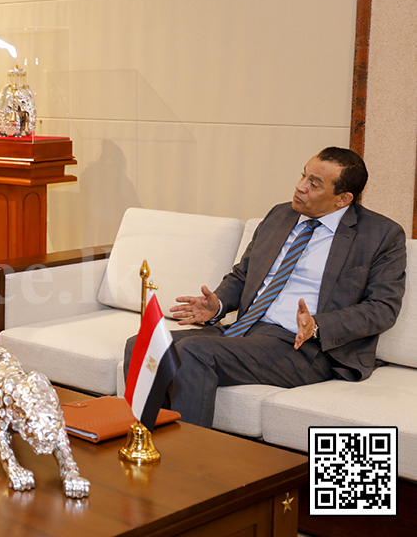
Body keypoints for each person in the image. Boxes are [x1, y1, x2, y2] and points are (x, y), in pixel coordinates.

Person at [124, 147, 406, 428]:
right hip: (246, 330)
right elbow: (243, 274)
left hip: (305, 346)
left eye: (314, 183)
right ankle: (143, 442)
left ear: (343, 199)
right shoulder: (280, 215)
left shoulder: (380, 235)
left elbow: (383, 309)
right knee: (143, 344)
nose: (300, 187)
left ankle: (188, 464)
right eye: (303, 176)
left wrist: (317, 325)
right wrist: (218, 304)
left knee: (194, 352)